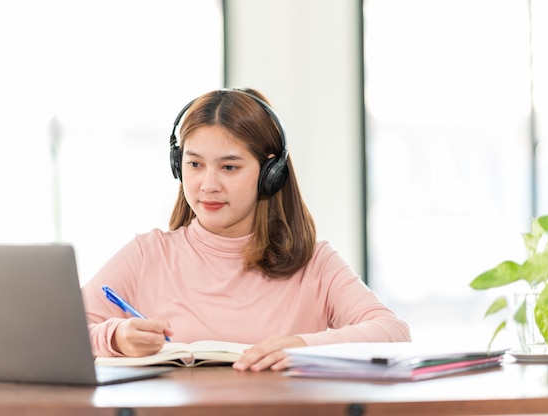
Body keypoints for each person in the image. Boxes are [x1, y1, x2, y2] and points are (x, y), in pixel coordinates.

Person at [82, 88, 411, 372]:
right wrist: (114, 337)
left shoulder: (314, 263)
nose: (208, 185)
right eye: (195, 164)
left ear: (270, 172)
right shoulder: (147, 254)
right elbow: (60, 333)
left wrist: (302, 346)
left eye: (229, 167)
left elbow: (393, 332)